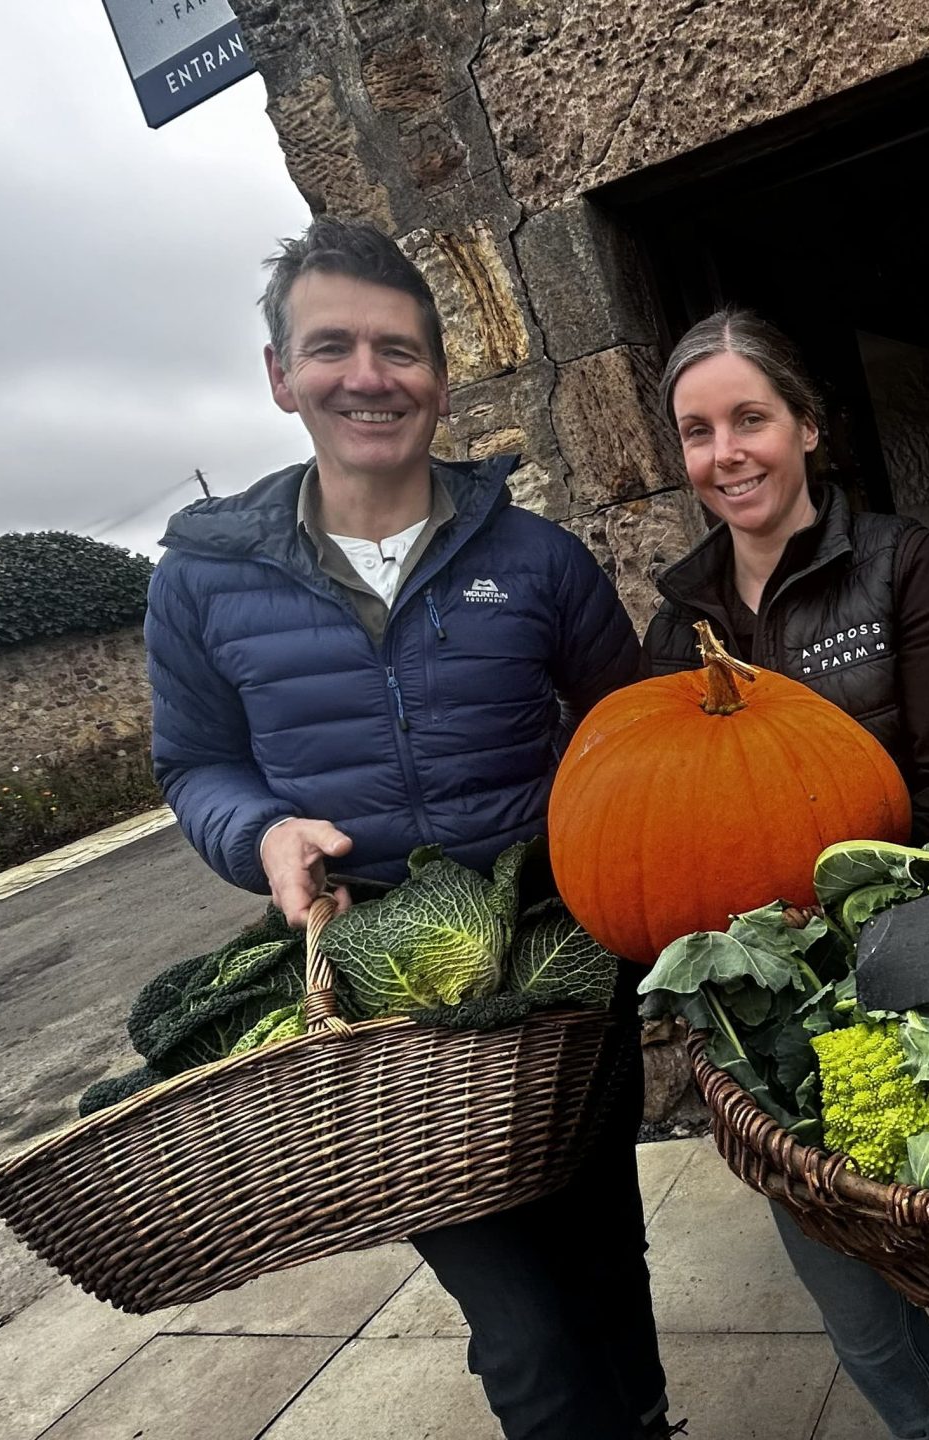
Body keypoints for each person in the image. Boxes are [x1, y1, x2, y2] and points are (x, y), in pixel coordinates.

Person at [143, 217, 674, 1440]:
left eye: (399, 350)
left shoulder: (538, 559)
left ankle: (645, 1420)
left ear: (439, 377)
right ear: (281, 376)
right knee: (525, 1329)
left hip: (555, 964)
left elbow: (626, 734)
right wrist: (260, 835)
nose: (367, 377)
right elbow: (200, 764)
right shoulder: (201, 579)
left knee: (603, 1256)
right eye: (331, 347)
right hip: (385, 997)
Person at [640, 309, 929, 1440]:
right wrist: (747, 963)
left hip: (924, 959)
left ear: (808, 428)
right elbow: (655, 814)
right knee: (840, 1267)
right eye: (697, 432)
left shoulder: (903, 567)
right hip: (762, 1003)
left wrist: (843, 932)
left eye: (749, 419)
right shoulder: (679, 620)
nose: (725, 453)